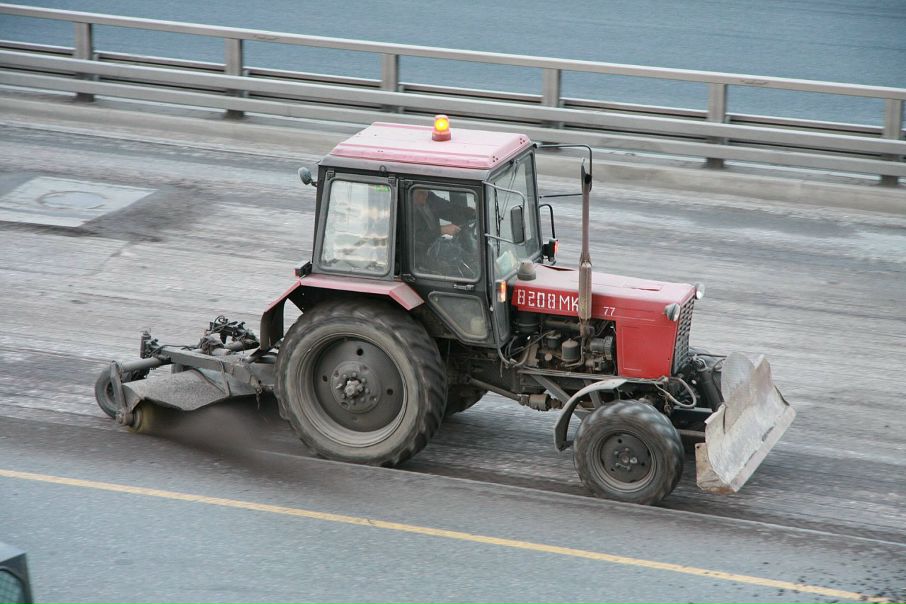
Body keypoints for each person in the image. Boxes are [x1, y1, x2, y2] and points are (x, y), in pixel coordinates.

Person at [411, 188, 477, 277]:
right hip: (417, 259)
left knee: (470, 257)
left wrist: (471, 212)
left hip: (437, 247)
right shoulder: (405, 208)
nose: (425, 195)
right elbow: (416, 237)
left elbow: (449, 209)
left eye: (426, 191)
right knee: (455, 271)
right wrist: (441, 230)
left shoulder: (428, 197)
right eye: (420, 192)